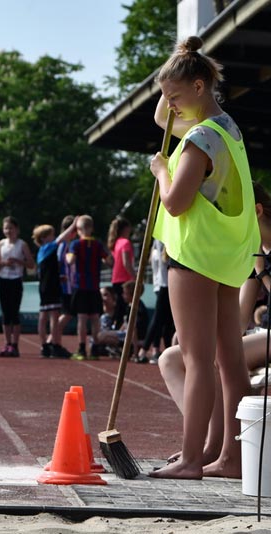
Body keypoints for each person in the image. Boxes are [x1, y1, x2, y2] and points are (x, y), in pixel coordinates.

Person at [148, 36, 260, 480]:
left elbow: (175, 203)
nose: (168, 106)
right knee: (229, 360)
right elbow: (162, 116)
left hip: (194, 256)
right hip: (224, 257)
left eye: (175, 96)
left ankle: (192, 458)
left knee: (195, 359)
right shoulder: (226, 128)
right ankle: (227, 456)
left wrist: (160, 170)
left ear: (199, 87)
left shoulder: (198, 138)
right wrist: (174, 63)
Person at [66, 214, 112, 360]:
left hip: (81, 285)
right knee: (95, 318)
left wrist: (68, 255)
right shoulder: (98, 244)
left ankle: (81, 348)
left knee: (82, 318)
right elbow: (110, 260)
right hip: (94, 286)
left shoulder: (76, 244)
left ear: (78, 229)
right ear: (91, 228)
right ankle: (95, 348)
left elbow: (70, 260)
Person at [32, 220, 77, 359]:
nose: (54, 236)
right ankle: (55, 345)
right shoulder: (48, 248)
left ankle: (44, 345)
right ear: (45, 238)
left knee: (43, 315)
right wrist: (73, 225)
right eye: (51, 235)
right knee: (53, 316)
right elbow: (61, 238)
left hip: (44, 286)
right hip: (51, 285)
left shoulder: (41, 251)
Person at [0, 216, 34, 357]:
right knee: (5, 313)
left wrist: (18, 261)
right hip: (3, 279)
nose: (8, 231)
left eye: (11, 228)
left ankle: (15, 345)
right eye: (6, 228)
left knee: (14, 313)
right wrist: (4, 263)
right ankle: (7, 343)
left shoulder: (22, 244)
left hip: (16, 280)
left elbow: (31, 264)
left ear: (16, 229)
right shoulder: (1, 244)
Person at [136, 239, 175, 364]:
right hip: (164, 284)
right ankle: (146, 349)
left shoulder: (156, 244)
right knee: (159, 319)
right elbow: (164, 261)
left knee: (166, 320)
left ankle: (160, 349)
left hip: (163, 284)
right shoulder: (161, 243)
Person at [107, 215, 136, 302]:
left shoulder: (115, 243)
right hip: (125, 280)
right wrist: (135, 277)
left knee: (119, 308)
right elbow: (126, 263)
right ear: (125, 229)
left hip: (116, 279)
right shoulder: (125, 242)